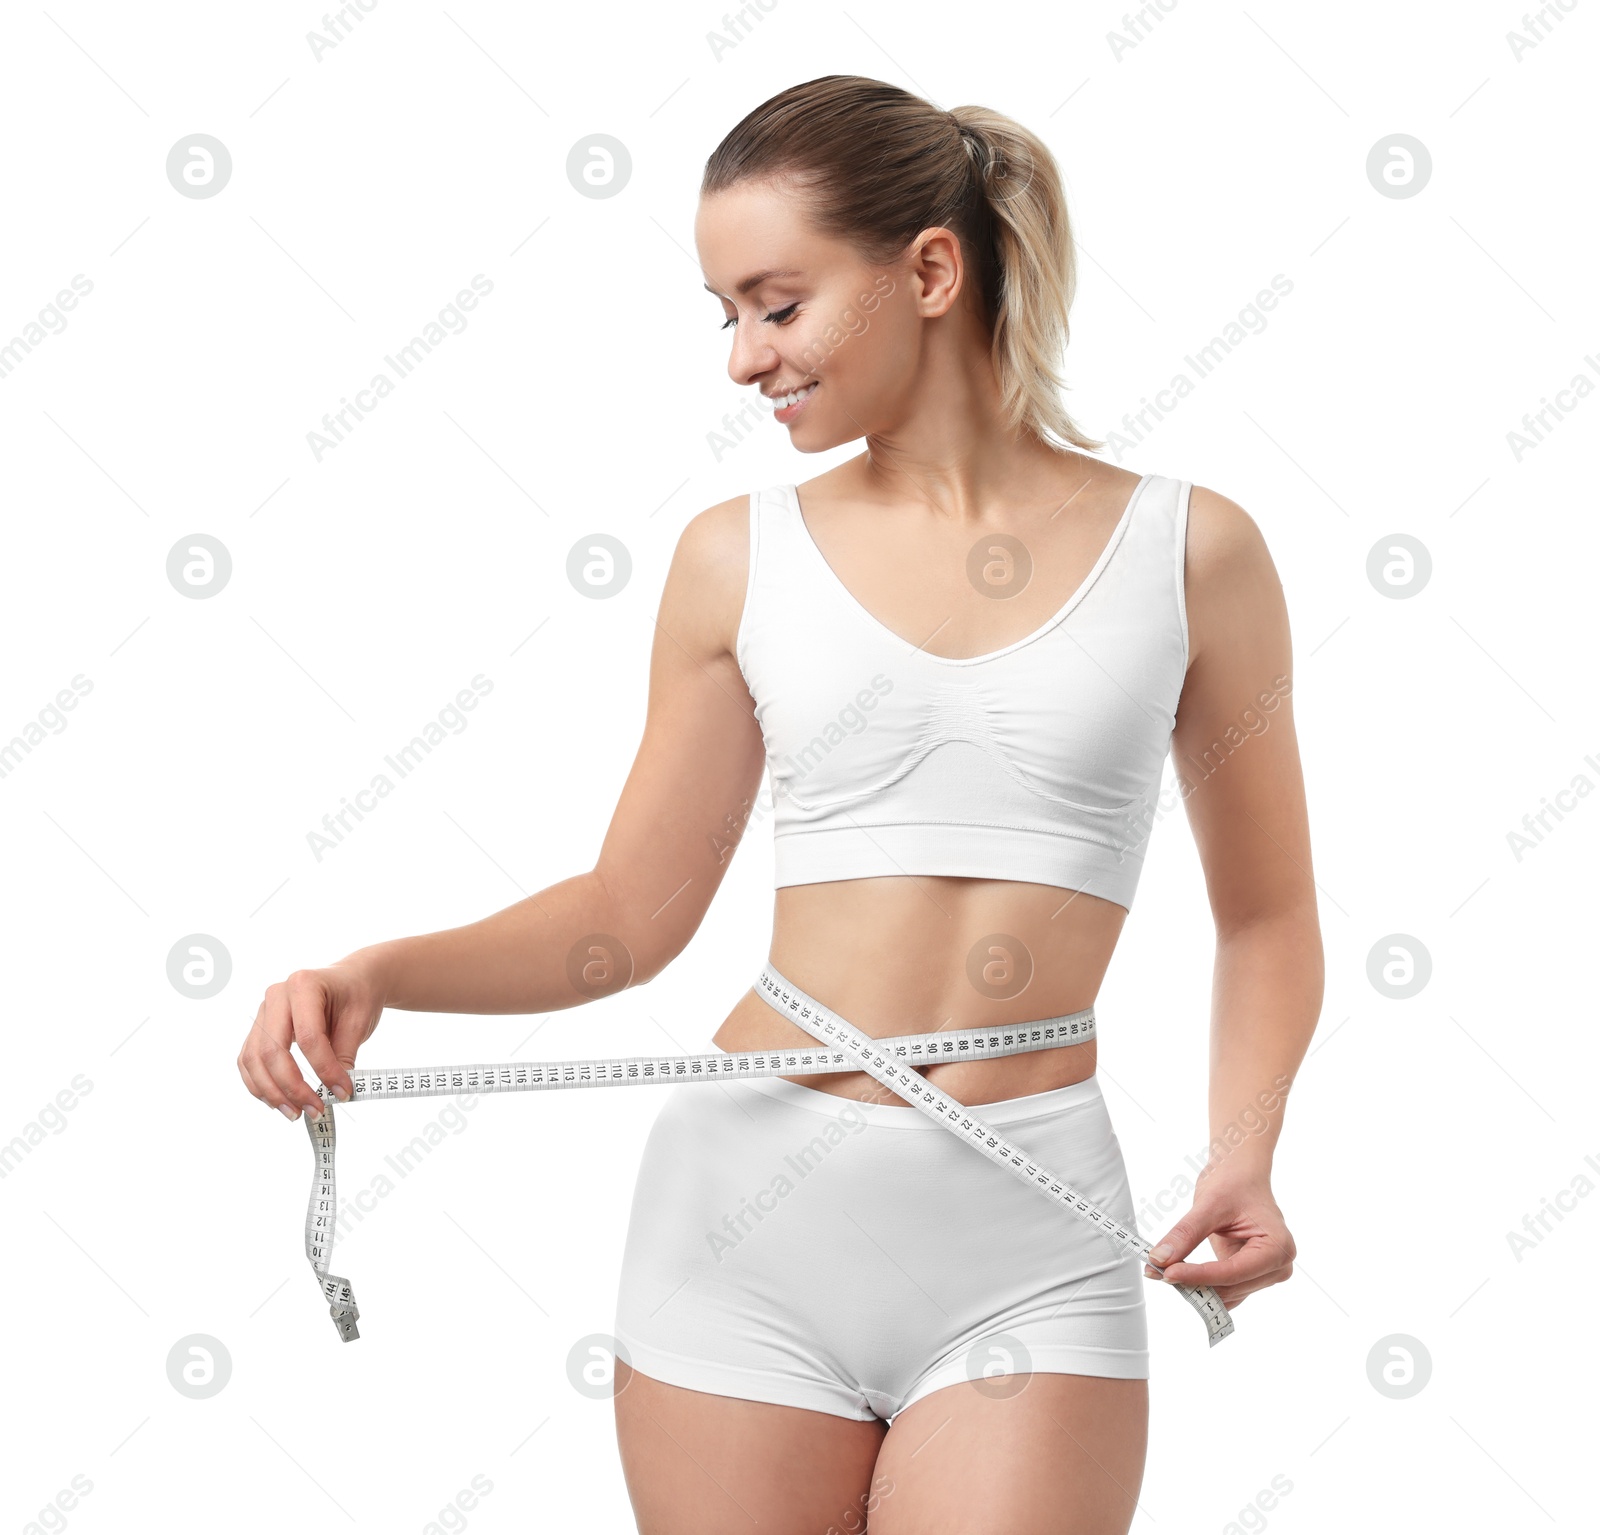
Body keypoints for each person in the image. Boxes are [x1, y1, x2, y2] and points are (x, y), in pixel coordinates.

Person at [237, 74, 1322, 1535]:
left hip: (1029, 1235)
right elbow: (625, 921)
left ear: (929, 270)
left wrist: (1243, 1148)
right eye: (724, 314)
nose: (743, 360)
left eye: (776, 304)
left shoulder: (1192, 552)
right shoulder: (733, 560)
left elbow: (1267, 915)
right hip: (746, 1235)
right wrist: (374, 975)